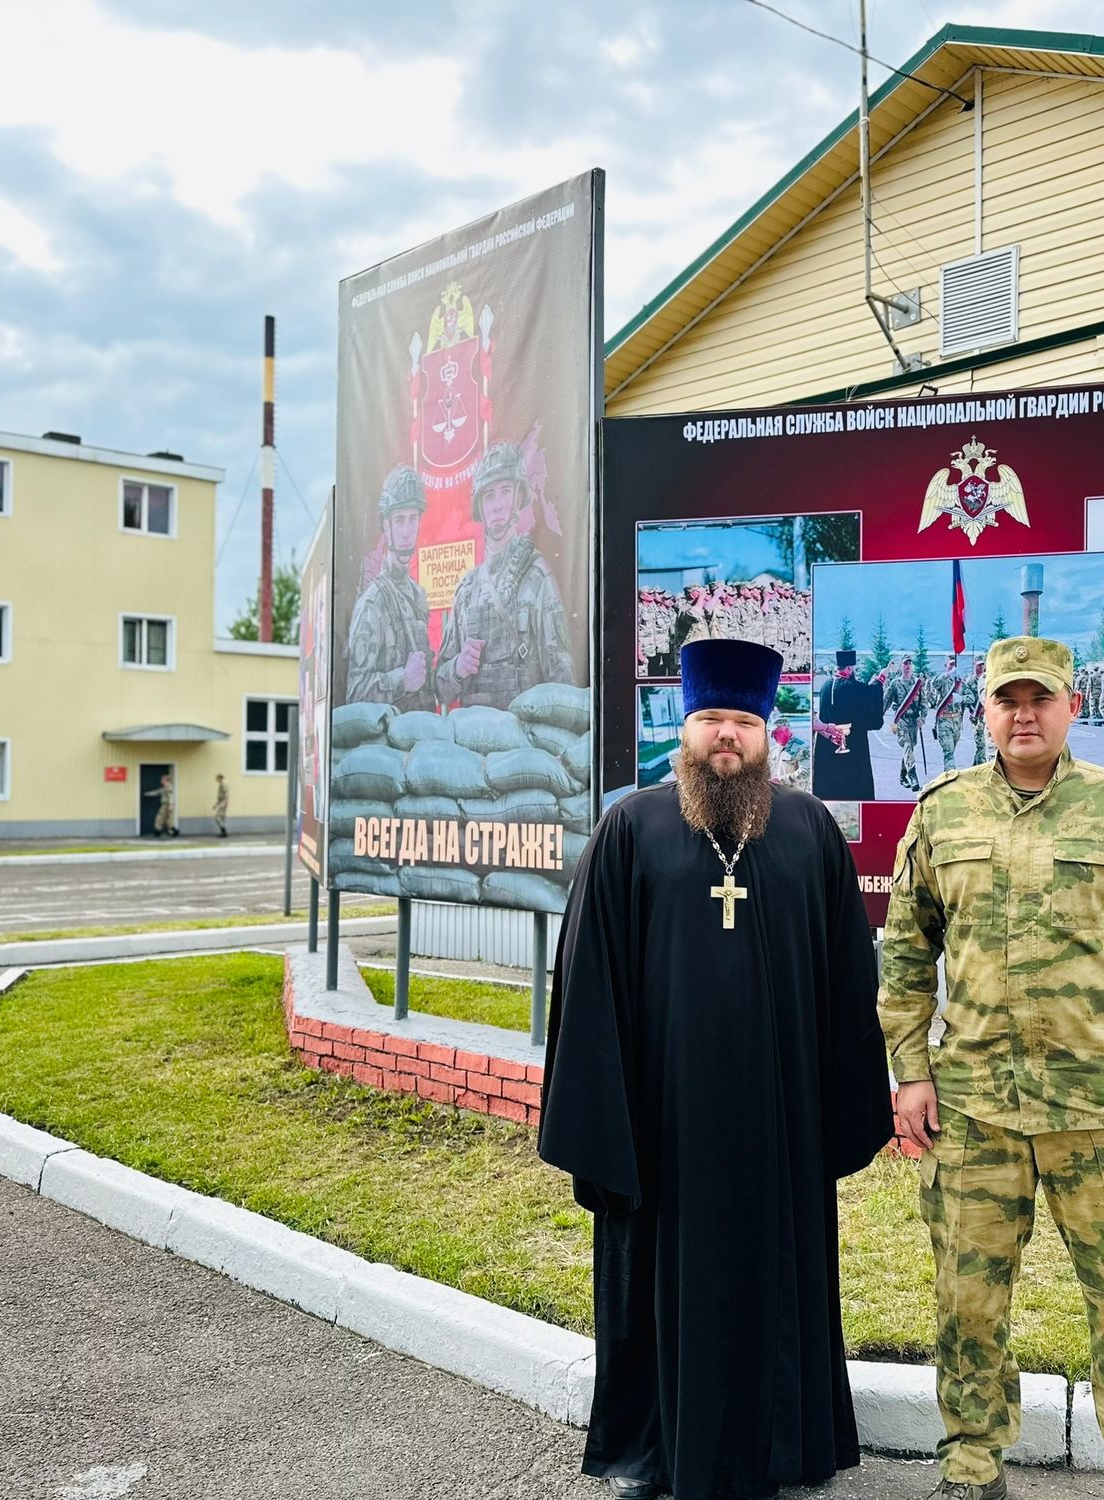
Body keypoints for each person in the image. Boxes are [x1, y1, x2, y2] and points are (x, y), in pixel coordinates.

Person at [540, 637, 893, 1500]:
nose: (724, 737)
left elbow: (851, 979)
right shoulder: (630, 827)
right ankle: (659, 1451)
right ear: (684, 731)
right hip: (667, 1125)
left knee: (779, 1275)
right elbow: (587, 982)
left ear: (769, 732)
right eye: (708, 721)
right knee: (663, 1281)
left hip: (782, 1118)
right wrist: (603, 1121)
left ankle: (786, 1445)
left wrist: (844, 1103)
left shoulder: (810, 830)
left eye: (741, 721)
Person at [880, 636, 1104, 1500]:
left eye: (1041, 698)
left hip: (1100, 1112)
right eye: (1007, 700)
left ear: (1073, 705)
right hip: (976, 1108)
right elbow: (906, 953)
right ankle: (971, 1464)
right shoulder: (942, 814)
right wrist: (910, 1072)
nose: (1023, 714)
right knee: (968, 1301)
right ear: (985, 710)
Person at [434, 442, 574, 709]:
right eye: (489, 496)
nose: (497, 505)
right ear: (480, 506)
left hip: (526, 742)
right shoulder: (466, 590)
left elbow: (562, 679)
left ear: (517, 499)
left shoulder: (537, 577)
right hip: (472, 742)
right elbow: (440, 689)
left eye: (505, 492)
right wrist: (457, 667)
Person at [344, 465, 435, 711]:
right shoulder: (373, 602)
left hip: (422, 737)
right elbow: (355, 692)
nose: (406, 531)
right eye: (399, 520)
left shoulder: (417, 596)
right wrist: (402, 679)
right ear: (387, 526)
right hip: (388, 745)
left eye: (412, 519)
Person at [814, 648, 885, 800]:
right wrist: (880, 681)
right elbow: (871, 701)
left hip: (828, 748)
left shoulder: (825, 686)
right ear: (849, 668)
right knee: (853, 790)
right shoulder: (853, 688)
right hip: (852, 753)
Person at [885, 656, 926, 792]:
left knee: (909, 749)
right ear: (901, 666)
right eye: (905, 663)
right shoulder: (895, 684)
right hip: (900, 721)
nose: (907, 666)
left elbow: (924, 703)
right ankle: (913, 776)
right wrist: (876, 716)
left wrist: (922, 718)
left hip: (913, 721)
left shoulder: (917, 684)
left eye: (909, 663)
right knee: (907, 745)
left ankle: (902, 776)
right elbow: (886, 701)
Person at [145, 773, 179, 837]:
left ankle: (157, 833)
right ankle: (174, 832)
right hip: (166, 805)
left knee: (159, 819)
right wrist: (148, 794)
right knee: (167, 821)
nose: (161, 781)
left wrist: (171, 805)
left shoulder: (169, 787)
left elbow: (171, 796)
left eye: (162, 779)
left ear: (166, 780)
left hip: (166, 805)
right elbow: (158, 792)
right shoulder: (165, 788)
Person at [212, 773, 230, 838]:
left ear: (220, 778)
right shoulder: (220, 786)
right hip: (221, 803)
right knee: (221, 819)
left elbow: (226, 795)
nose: (216, 779)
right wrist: (215, 805)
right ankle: (223, 832)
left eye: (217, 778)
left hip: (223, 803)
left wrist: (224, 803)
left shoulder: (223, 785)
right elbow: (219, 797)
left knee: (217, 818)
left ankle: (224, 831)